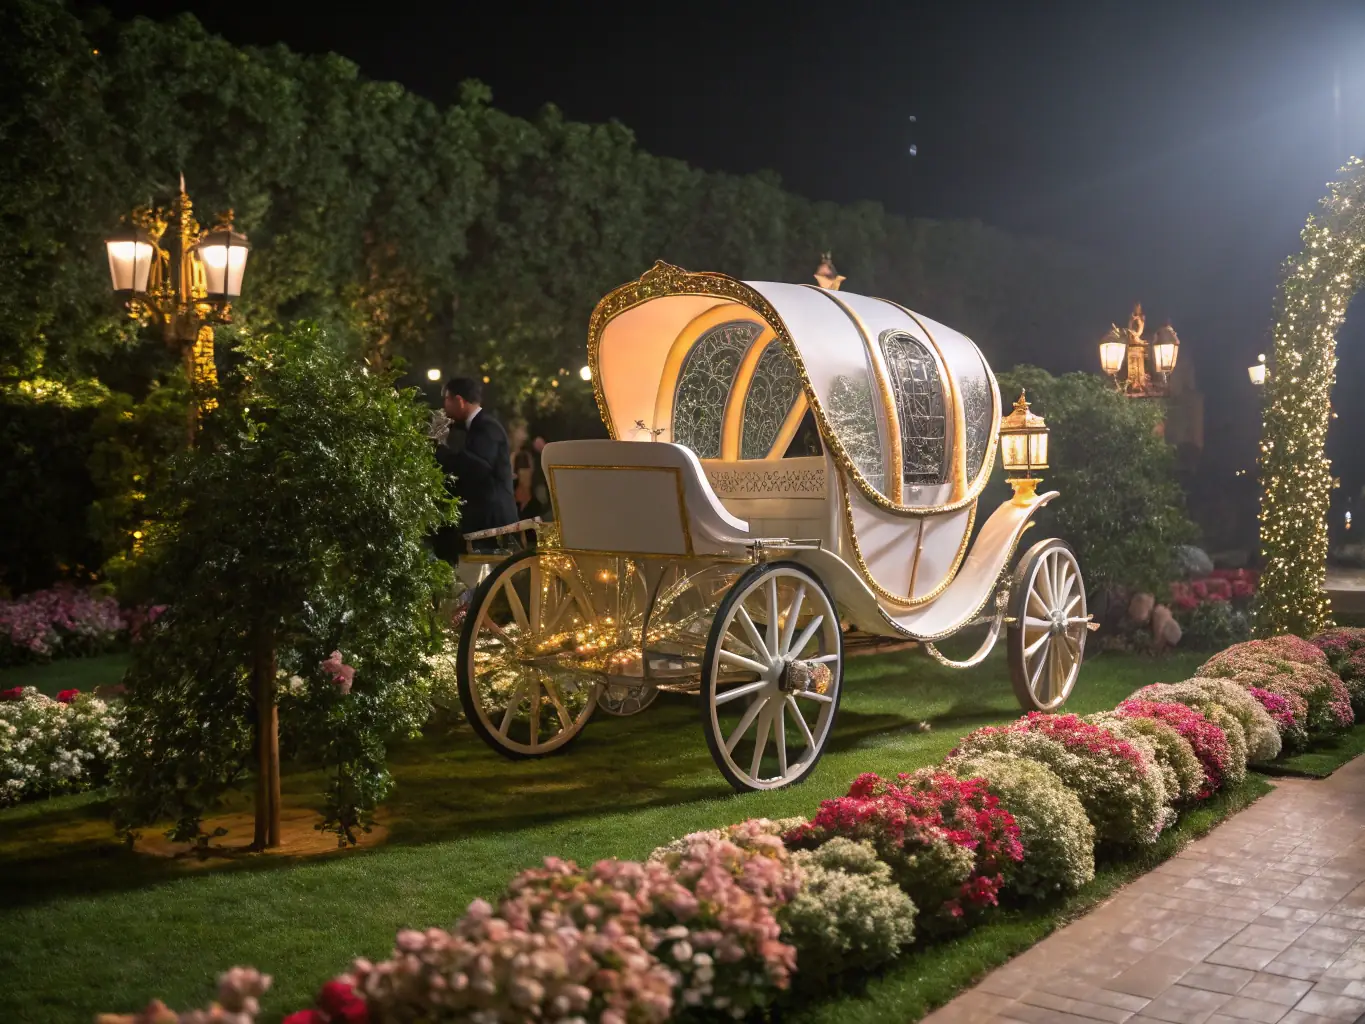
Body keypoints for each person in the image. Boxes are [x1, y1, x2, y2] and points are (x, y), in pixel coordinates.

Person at [435, 377, 518, 555]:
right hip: (484, 519)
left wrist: (440, 450)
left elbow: (478, 467)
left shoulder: (487, 426)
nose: (444, 406)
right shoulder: (474, 427)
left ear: (459, 400)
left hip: (493, 520)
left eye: (447, 399)